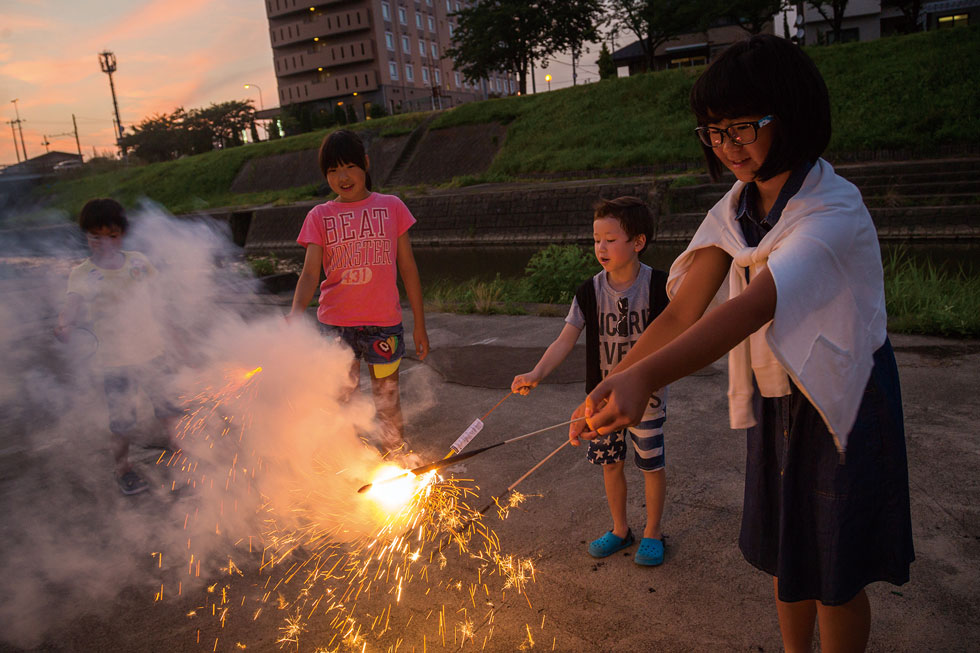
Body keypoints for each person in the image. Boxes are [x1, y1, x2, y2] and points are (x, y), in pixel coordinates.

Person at [573, 35, 914, 652]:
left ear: (793, 116)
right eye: (713, 131)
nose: (728, 145)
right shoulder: (736, 209)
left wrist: (646, 378)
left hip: (843, 400)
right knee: (789, 557)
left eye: (742, 127)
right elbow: (682, 314)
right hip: (777, 393)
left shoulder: (831, 211)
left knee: (835, 573)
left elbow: (751, 308)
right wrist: (617, 375)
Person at [512, 197, 670, 566]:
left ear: (638, 242)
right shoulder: (588, 291)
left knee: (651, 464)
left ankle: (653, 531)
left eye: (610, 239)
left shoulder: (660, 287)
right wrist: (537, 373)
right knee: (609, 463)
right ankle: (620, 529)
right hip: (598, 401)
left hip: (647, 400)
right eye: (596, 238)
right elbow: (565, 338)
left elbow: (670, 339)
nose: (601, 247)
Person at [288, 129, 429, 456]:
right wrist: (295, 313)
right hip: (335, 330)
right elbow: (310, 274)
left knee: (388, 402)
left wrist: (420, 324)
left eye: (349, 167)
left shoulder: (392, 207)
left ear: (365, 163)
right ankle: (348, 468)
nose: (343, 177)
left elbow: (408, 268)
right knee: (340, 404)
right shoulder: (319, 216)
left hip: (385, 327)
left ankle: (395, 462)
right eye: (333, 171)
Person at [56, 198, 182, 496]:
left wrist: (176, 338)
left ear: (122, 234)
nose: (104, 243)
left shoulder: (138, 262)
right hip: (114, 361)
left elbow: (159, 303)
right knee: (122, 423)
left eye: (111, 235)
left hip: (152, 353)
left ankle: (184, 458)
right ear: (86, 237)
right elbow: (71, 305)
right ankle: (123, 468)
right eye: (95, 236)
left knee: (170, 412)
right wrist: (64, 324)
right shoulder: (83, 274)